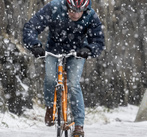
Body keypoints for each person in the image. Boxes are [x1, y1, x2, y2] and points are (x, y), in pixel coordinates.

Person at [23, 0, 104, 136]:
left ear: (85, 9)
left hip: (77, 52)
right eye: (72, 10)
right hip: (53, 50)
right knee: (50, 78)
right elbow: (31, 27)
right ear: (66, 6)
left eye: (79, 11)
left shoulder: (91, 15)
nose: (76, 14)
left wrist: (88, 49)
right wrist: (34, 45)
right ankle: (50, 106)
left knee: (73, 84)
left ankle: (79, 125)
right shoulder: (53, 8)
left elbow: (98, 40)